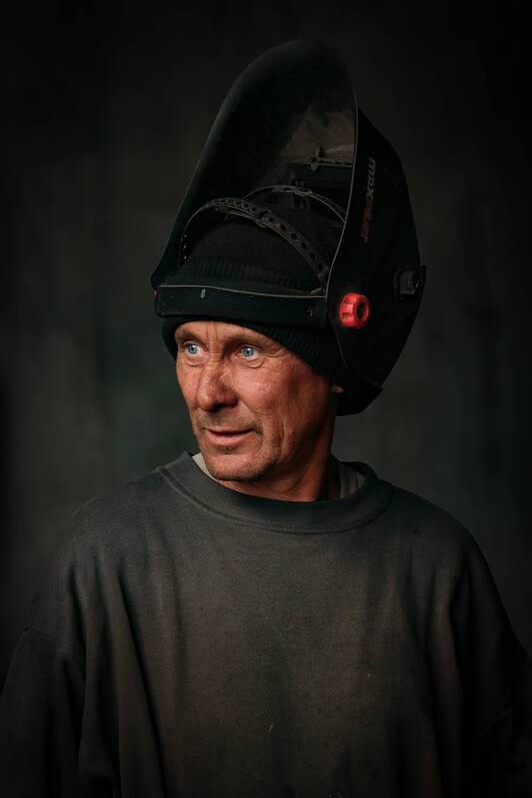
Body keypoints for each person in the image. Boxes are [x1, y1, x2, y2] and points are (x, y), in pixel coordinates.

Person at [1, 40, 531, 798]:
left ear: (333, 370)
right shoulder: (104, 561)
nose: (206, 392)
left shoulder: (437, 572)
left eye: (248, 351)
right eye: (191, 347)